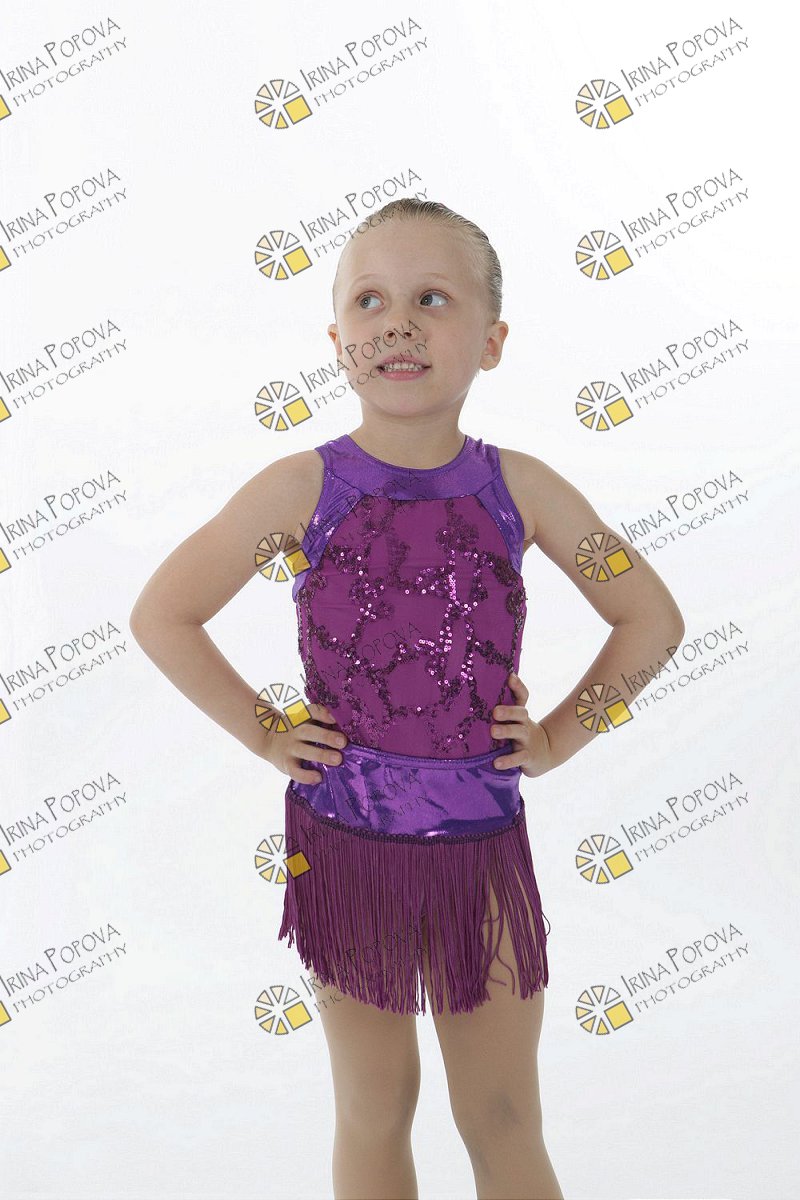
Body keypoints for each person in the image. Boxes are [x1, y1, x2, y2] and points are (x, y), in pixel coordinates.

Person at [130, 197, 686, 1200]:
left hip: (483, 846)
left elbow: (649, 618)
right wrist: (267, 734)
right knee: (374, 1104)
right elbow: (164, 612)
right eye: (370, 301)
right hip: (346, 845)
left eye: (431, 299)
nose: (396, 324)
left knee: (501, 1113)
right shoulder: (299, 489)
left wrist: (557, 738)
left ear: (492, 340)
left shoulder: (524, 490)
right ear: (336, 340)